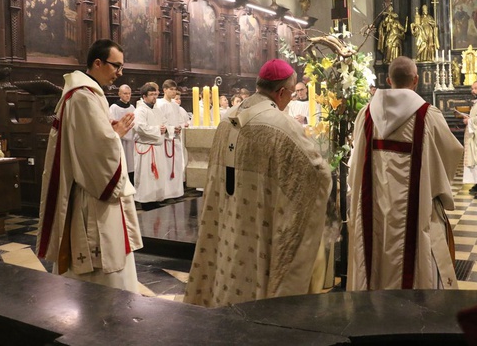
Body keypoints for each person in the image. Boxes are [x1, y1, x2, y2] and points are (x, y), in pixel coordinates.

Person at [184, 59, 332, 307]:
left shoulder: (227, 119)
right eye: (292, 92)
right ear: (282, 92)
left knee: (227, 264)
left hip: (229, 217)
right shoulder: (282, 126)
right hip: (259, 223)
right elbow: (317, 174)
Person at [36, 39, 142, 293]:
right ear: (98, 63)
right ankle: (103, 312)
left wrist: (111, 132)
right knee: (99, 271)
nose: (120, 72)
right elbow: (97, 153)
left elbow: (92, 141)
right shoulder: (83, 96)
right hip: (94, 194)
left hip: (91, 186)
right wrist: (115, 136)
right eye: (116, 66)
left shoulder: (86, 93)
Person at [347, 56, 461, 290]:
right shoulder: (428, 116)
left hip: (374, 209)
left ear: (388, 80)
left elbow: (355, 163)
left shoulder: (366, 114)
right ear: (416, 80)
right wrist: (435, 184)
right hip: (415, 210)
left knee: (373, 254)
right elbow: (452, 152)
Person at [133, 82, 167, 210]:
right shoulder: (140, 110)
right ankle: (145, 200)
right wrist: (158, 129)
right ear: (144, 96)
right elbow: (140, 127)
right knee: (146, 176)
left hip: (156, 147)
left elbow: (164, 123)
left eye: (155, 94)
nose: (154, 97)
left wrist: (166, 128)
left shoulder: (157, 109)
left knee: (156, 176)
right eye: (151, 94)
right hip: (146, 148)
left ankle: (155, 198)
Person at [157, 80, 187, 200]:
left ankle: (176, 192)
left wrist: (179, 127)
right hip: (166, 139)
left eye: (175, 89)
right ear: (164, 90)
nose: (173, 92)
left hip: (175, 139)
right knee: (166, 167)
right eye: (171, 89)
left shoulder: (175, 105)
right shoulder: (160, 104)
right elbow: (160, 121)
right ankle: (166, 194)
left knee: (177, 166)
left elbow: (179, 120)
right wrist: (171, 129)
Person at [109, 84, 135, 184]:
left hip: (131, 140)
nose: (127, 96)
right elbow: (112, 123)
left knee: (131, 164)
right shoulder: (114, 108)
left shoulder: (132, 107)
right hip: (120, 140)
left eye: (129, 94)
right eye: (125, 94)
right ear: (119, 94)